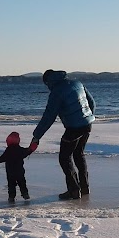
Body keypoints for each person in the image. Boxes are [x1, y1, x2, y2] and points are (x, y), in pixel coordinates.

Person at [31, 69, 95, 200]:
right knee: (79, 154)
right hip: (88, 124)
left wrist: (36, 136)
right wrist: (88, 116)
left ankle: (74, 190)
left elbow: (49, 117)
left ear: (48, 81)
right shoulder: (77, 83)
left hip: (74, 128)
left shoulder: (57, 92)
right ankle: (84, 187)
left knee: (64, 158)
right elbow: (92, 102)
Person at [0, 131, 39, 203]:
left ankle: (11, 197)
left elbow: (0, 159)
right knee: (22, 183)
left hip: (10, 172)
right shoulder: (20, 149)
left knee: (11, 185)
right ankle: (25, 195)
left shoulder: (8, 150)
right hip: (20, 171)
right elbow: (28, 151)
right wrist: (33, 145)